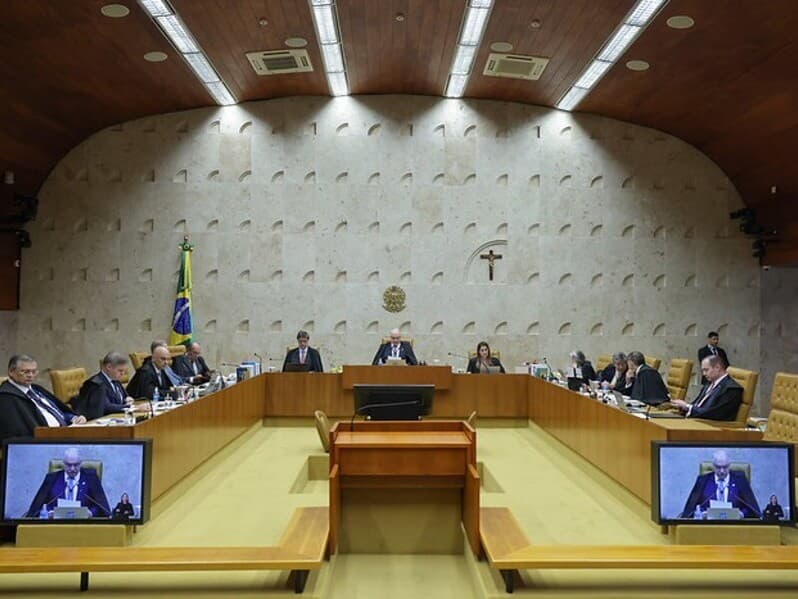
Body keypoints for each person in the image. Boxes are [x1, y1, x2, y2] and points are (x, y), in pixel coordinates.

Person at [0, 354, 87, 442]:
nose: (30, 375)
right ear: (11, 372)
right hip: (47, 441)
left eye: (33, 372)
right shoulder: (6, 398)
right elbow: (16, 433)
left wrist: (74, 418)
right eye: (25, 372)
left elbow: (58, 412)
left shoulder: (36, 389)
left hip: (67, 432)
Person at [26, 447, 110, 518]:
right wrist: (48, 513)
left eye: (76, 465)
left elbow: (100, 506)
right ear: (63, 464)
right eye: (69, 465)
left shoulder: (90, 478)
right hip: (56, 526)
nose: (72, 469)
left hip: (83, 525)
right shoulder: (52, 479)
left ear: (80, 464)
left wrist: (91, 513)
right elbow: (39, 506)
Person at [680, 449, 760, 519]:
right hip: (708, 526)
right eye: (718, 467)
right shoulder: (703, 480)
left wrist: (742, 514)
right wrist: (702, 513)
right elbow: (692, 508)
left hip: (735, 526)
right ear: (713, 466)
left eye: (725, 467)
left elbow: (750, 507)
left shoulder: (740, 480)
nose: (722, 471)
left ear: (729, 466)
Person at [670, 355, 742, 420]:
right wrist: (684, 407)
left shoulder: (731, 389)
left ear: (717, 367)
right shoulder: (709, 384)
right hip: (696, 420)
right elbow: (697, 404)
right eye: (703, 371)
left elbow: (715, 413)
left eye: (706, 370)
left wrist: (688, 407)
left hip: (710, 427)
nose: (704, 374)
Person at [71, 352, 135, 420]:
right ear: (109, 367)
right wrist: (130, 407)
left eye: (124, 371)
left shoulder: (115, 380)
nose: (123, 374)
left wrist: (128, 399)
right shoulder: (96, 384)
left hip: (116, 418)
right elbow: (106, 407)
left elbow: (124, 397)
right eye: (120, 370)